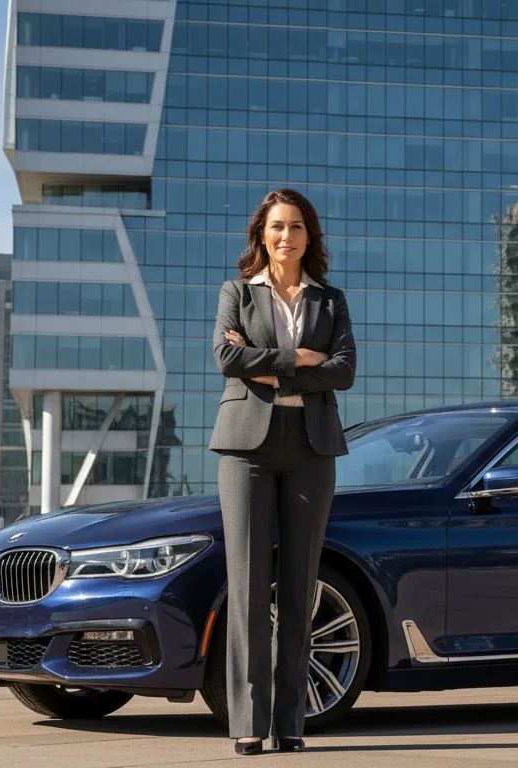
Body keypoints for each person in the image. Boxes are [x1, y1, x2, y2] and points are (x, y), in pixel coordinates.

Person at [208, 188, 354, 755]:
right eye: (276, 226)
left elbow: (344, 370)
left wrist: (269, 369)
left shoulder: (331, 299)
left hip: (312, 449)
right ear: (262, 235)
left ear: (309, 236)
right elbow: (226, 359)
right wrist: (299, 359)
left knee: (300, 587)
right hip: (246, 448)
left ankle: (291, 721)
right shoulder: (236, 293)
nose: (286, 235)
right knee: (246, 586)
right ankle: (247, 720)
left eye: (296, 226)